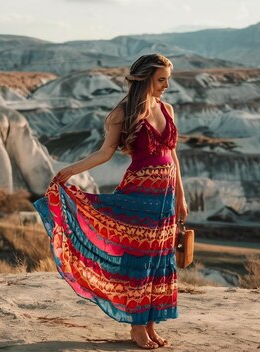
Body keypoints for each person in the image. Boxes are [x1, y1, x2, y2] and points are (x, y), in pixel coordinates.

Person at [33, 53, 188, 349]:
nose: (167, 85)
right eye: (161, 79)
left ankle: (151, 325)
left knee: (159, 260)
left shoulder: (166, 108)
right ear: (144, 79)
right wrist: (68, 171)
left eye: (168, 78)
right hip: (139, 195)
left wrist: (181, 196)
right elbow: (104, 153)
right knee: (139, 260)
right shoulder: (122, 113)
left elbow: (173, 155)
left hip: (166, 198)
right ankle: (137, 328)